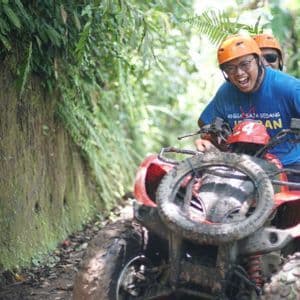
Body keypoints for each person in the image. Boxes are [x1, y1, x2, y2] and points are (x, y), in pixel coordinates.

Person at [195, 34, 300, 185]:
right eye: (230, 68)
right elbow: (205, 124)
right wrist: (210, 142)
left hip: (290, 165)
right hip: (244, 167)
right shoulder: (226, 92)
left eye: (245, 64)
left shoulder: (288, 87)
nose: (239, 73)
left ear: (258, 61)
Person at [198, 33, 283, 129]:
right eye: (261, 59)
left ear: (280, 60)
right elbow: (207, 121)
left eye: (270, 58)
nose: (265, 63)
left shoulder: (288, 88)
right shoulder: (228, 90)